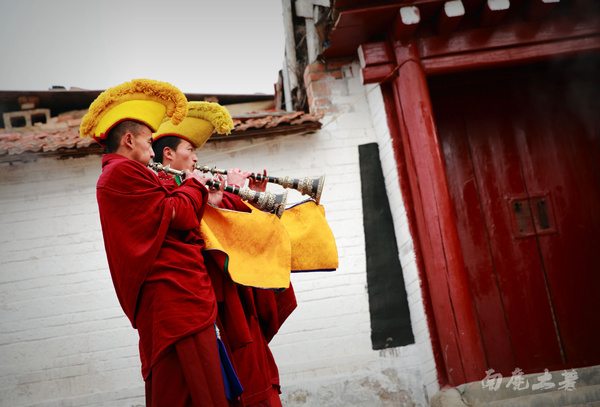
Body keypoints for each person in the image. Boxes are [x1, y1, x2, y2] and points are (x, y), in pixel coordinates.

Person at [79, 79, 232, 406]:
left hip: (178, 298)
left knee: (188, 392)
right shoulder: (121, 174)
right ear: (129, 139)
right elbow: (177, 214)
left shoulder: (131, 174)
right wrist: (194, 186)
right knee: (194, 393)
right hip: (174, 299)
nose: (152, 150)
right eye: (149, 142)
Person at [151, 101, 297, 407]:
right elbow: (204, 236)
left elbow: (237, 235)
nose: (196, 157)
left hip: (234, 303)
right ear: (168, 154)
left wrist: (247, 198)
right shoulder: (165, 191)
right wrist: (224, 197)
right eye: (189, 149)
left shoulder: (191, 187)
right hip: (213, 309)